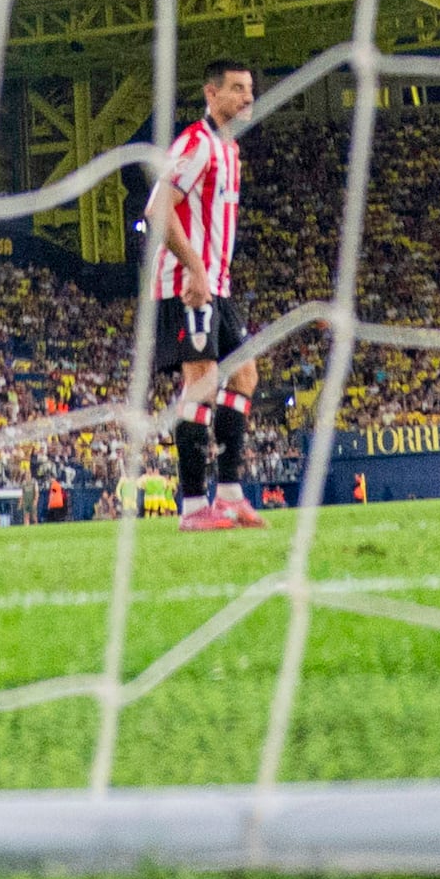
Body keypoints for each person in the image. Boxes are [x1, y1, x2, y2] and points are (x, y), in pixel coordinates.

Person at [147, 56, 262, 531]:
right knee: (201, 383)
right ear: (211, 94)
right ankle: (194, 507)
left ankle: (231, 495)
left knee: (244, 377)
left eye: (249, 88)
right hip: (187, 283)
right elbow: (158, 210)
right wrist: (195, 268)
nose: (247, 97)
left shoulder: (229, 149)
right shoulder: (195, 144)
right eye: (236, 88)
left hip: (217, 284)